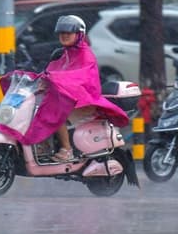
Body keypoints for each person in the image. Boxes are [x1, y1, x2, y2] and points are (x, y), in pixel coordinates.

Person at [45, 15, 128, 161]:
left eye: (68, 33)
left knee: (57, 114)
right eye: (61, 33)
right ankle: (43, 147)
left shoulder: (86, 55)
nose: (64, 36)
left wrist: (54, 79)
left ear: (79, 35)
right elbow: (51, 72)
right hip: (69, 100)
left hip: (86, 102)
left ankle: (67, 150)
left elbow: (79, 77)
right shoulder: (64, 54)